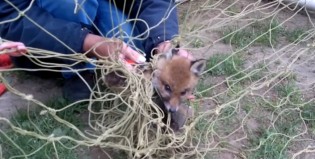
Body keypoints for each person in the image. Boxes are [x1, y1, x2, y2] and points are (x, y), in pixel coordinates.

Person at [0, 0, 193, 102]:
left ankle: (100, 61)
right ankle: (77, 69)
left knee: (136, 55)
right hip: (47, 18)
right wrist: (86, 43)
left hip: (99, 5)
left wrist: (163, 43)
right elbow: (10, 16)